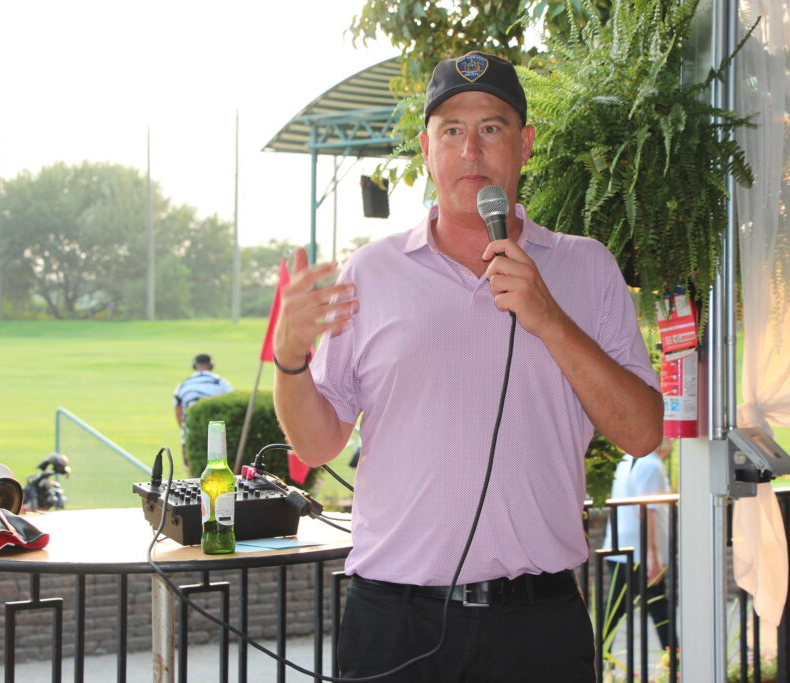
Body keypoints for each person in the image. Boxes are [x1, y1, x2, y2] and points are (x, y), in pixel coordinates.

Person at [272, 51, 663, 682]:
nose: (470, 150)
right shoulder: (371, 273)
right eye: (451, 130)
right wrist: (290, 359)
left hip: (540, 624)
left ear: (525, 144)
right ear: (426, 149)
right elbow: (317, 444)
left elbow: (643, 433)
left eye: (491, 127)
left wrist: (550, 320)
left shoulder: (585, 268)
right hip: (395, 621)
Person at [601, 438, 676, 653]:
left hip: (621, 546)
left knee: (615, 609)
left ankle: (599, 659)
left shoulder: (627, 460)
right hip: (639, 551)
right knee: (658, 606)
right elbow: (646, 510)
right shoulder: (651, 465)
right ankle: (674, 660)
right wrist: (653, 554)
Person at [172, 354, 232, 462]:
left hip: (189, 435)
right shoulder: (221, 383)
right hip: (217, 437)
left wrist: (184, 428)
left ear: (194, 365)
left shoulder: (183, 384)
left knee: (190, 472)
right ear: (211, 365)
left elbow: (178, 411)